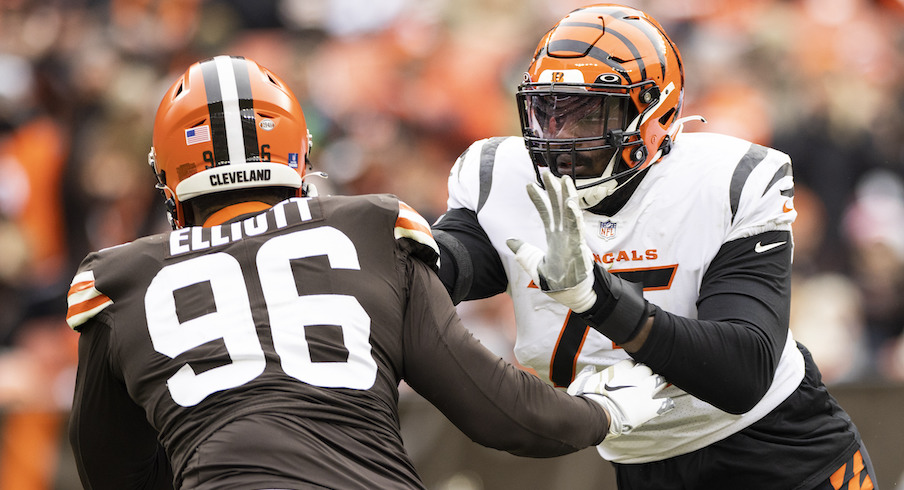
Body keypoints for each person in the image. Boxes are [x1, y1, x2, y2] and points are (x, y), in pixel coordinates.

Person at [64, 55, 674, 490]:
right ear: (299, 158)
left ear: (169, 179)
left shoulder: (120, 281)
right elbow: (500, 412)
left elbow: (109, 470)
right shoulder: (369, 229)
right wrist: (605, 411)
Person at [432, 5, 877, 489]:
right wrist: (399, 252)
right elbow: (449, 266)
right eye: (549, 110)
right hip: (643, 466)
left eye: (588, 114)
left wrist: (598, 299)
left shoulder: (726, 182)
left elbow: (742, 372)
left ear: (652, 112)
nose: (559, 138)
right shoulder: (503, 176)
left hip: (778, 452)